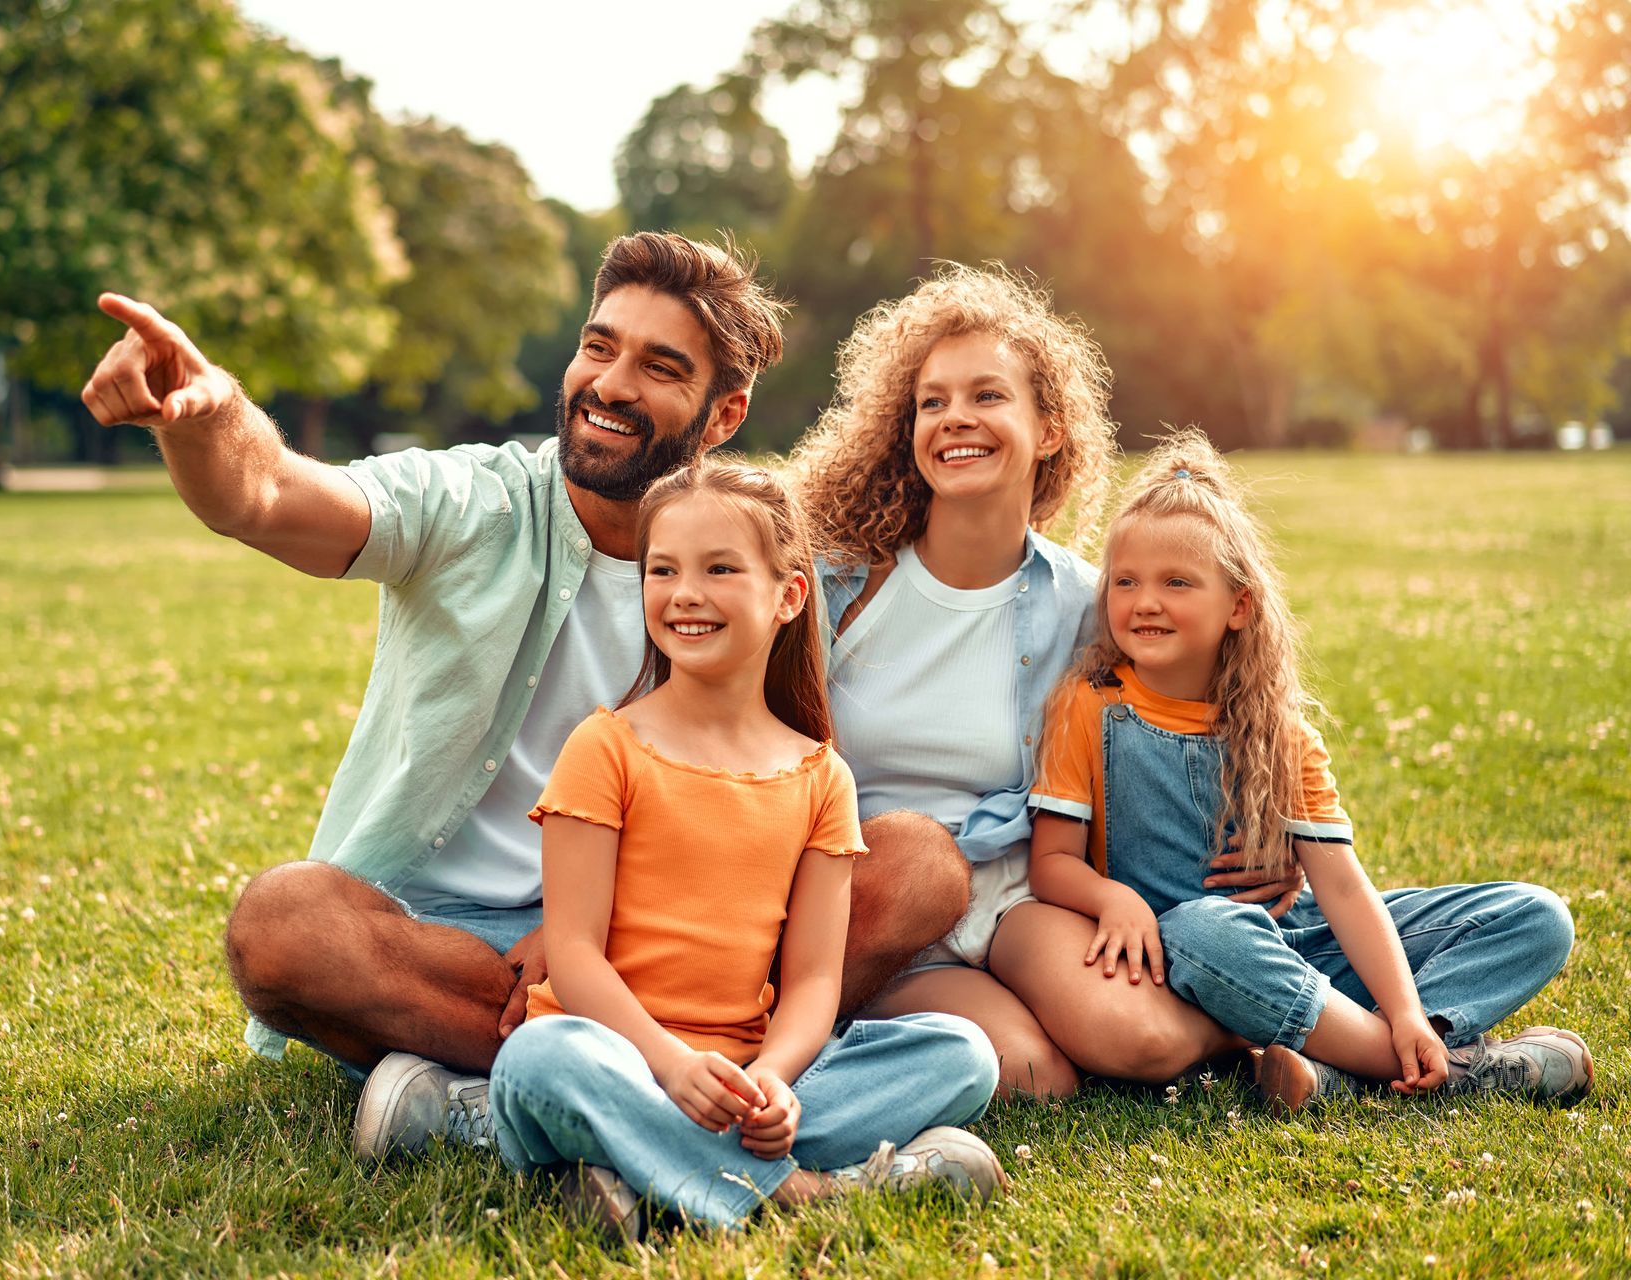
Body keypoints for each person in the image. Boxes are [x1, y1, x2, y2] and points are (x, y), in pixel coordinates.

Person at [78, 231, 972, 1159]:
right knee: (283, 926)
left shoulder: (762, 562)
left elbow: (799, 765)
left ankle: (518, 1108)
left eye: (660, 367)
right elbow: (262, 495)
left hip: (686, 933)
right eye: (599, 346)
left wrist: (583, 927)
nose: (611, 384)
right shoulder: (470, 501)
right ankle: (669, 1106)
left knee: (919, 864)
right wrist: (205, 414)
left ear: (722, 415)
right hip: (448, 948)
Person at [789, 264, 1286, 1097]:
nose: (956, 420)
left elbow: (1194, 715)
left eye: (987, 396)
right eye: (933, 402)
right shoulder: (837, 590)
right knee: (1036, 1073)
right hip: (875, 904)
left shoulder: (1093, 605)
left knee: (1138, 1040)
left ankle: (1294, 1024)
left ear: (1049, 428)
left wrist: (1273, 834)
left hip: (1014, 897)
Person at [491, 456, 1003, 1239]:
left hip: (738, 1078)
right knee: (538, 1063)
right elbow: (573, 953)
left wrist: (772, 1080)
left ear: (789, 595)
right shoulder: (606, 747)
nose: (685, 593)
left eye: (719, 568)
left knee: (963, 1052)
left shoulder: (818, 775)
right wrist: (669, 1066)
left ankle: (639, 1170)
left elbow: (812, 982)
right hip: (615, 1057)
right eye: (662, 570)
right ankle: (800, 1192)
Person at [1028, 429, 1589, 1112]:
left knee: (1536, 917)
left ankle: (1378, 1053)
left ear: (1238, 606)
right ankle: (1420, 1066)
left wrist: (1408, 1009)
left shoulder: (1278, 729)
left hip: (1306, 947)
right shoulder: (1088, 707)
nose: (1145, 601)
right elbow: (1051, 863)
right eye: (1126, 582)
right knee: (1206, 928)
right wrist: (1115, 900)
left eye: (1177, 582)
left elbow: (1346, 892)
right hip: (1192, 958)